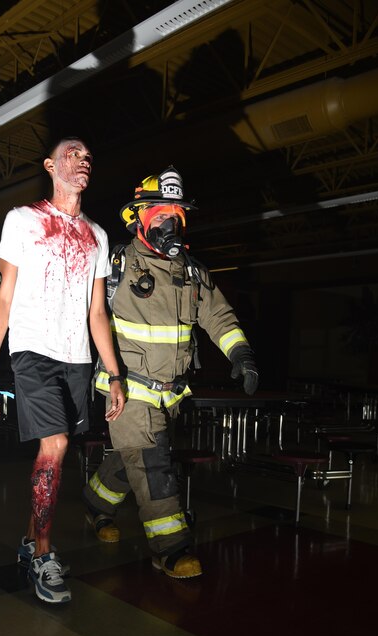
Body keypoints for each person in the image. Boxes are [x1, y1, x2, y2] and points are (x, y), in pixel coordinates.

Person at [83, 166, 258, 579]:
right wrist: (9, 281)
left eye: (176, 218)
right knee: (152, 465)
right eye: (161, 216)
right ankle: (172, 548)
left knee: (130, 464)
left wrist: (242, 354)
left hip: (170, 393)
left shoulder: (192, 272)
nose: (169, 224)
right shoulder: (115, 264)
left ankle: (95, 505)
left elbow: (218, 317)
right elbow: (69, 288)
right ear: (140, 219)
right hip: (125, 389)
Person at [0, 137, 125, 604]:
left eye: (88, 156)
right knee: (56, 443)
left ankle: (28, 542)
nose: (83, 161)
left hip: (78, 357)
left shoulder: (98, 236)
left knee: (57, 454)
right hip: (32, 352)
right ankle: (44, 556)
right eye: (73, 154)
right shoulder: (22, 221)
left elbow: (97, 313)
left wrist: (114, 374)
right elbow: (3, 297)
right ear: (50, 165)